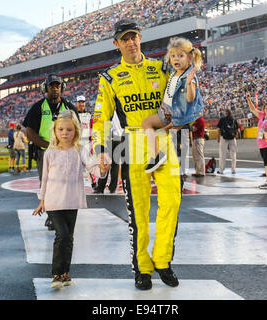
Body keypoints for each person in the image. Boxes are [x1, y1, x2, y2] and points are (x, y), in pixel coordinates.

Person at [92, 19, 182, 290]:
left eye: (134, 37)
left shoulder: (161, 67)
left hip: (163, 139)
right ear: (116, 43)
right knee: (138, 211)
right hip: (130, 143)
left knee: (173, 201)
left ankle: (162, 260)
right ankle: (143, 267)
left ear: (140, 38)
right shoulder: (108, 77)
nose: (130, 42)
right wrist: (101, 149)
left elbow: (180, 98)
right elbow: (100, 118)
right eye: (125, 39)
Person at [33, 111, 110, 289]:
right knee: (63, 235)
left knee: (69, 238)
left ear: (75, 131)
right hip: (53, 202)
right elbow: (44, 179)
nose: (65, 133)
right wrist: (42, 200)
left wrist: (103, 169)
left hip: (72, 201)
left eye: (69, 129)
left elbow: (92, 167)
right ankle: (56, 274)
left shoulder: (79, 150)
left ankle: (66, 274)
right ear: (55, 131)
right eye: (61, 129)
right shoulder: (50, 153)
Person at [22, 74, 80, 230]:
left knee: (66, 184)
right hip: (45, 153)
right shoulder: (38, 107)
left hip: (66, 153)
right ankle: (52, 216)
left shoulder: (69, 107)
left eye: (58, 86)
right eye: (52, 86)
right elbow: (30, 132)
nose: (55, 88)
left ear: (62, 88)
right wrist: (50, 146)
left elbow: (78, 128)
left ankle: (65, 214)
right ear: (45, 88)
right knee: (47, 184)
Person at [142, 36, 204, 173]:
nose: (176, 59)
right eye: (173, 56)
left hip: (177, 114)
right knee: (149, 127)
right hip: (166, 110)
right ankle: (158, 156)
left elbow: (190, 98)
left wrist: (189, 83)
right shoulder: (173, 73)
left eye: (181, 56)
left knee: (154, 129)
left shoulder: (188, 77)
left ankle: (158, 157)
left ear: (189, 58)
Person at [246, 94, 267, 189]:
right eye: (266, 108)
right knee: (266, 162)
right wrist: (248, 99)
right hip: (261, 143)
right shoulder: (262, 116)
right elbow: (253, 109)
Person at [95, 111, 124, 193]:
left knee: (106, 163)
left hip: (111, 137)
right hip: (118, 137)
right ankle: (112, 187)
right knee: (115, 165)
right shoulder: (120, 111)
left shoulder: (109, 110)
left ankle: (101, 187)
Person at [76, 95, 97, 190]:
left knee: (89, 164)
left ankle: (93, 183)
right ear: (76, 103)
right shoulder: (73, 115)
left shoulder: (89, 115)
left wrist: (93, 141)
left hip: (87, 142)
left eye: (83, 102)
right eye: (79, 102)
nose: (81, 104)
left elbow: (93, 128)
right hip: (77, 142)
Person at [216, 109, 239, 175]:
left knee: (222, 154)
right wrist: (234, 135)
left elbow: (218, 129)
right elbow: (237, 129)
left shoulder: (222, 119)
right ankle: (233, 169)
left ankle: (221, 170)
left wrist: (218, 137)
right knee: (233, 154)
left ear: (225, 113)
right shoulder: (234, 119)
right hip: (232, 138)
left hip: (224, 138)